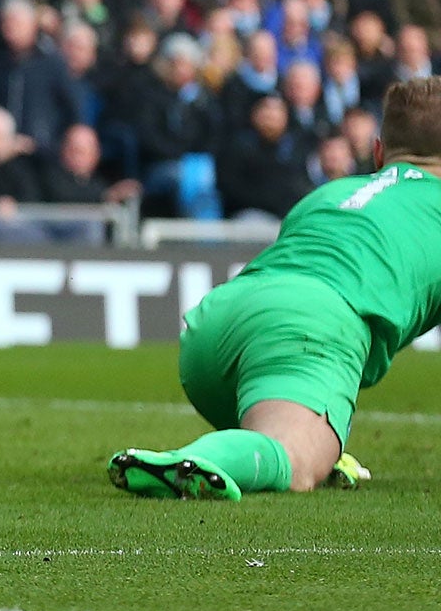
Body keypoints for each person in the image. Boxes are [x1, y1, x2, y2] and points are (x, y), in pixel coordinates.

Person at [109, 76, 441, 499]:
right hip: (306, 329)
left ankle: (294, 438)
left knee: (298, 428)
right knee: (295, 461)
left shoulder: (332, 193)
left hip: (218, 329)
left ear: (377, 152)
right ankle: (203, 459)